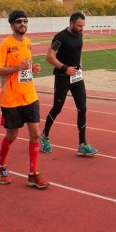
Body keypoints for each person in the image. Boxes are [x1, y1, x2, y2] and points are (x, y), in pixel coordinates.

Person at [0, 10, 50, 188]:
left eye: (25, 21)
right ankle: (0, 166)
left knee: (36, 134)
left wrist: (32, 69)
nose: (23, 24)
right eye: (19, 21)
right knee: (12, 135)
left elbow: (25, 67)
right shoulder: (6, 44)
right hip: (11, 99)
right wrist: (19, 67)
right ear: (12, 25)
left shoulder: (28, 42)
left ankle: (33, 174)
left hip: (30, 96)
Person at [40, 12, 98, 156]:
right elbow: (49, 56)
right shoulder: (60, 37)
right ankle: (44, 136)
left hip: (77, 78)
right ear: (71, 23)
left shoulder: (80, 35)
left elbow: (78, 52)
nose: (81, 29)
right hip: (62, 77)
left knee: (82, 108)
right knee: (57, 108)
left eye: (83, 26)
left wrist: (80, 67)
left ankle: (82, 144)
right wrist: (65, 68)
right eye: (79, 26)